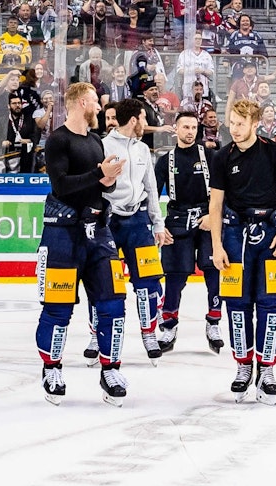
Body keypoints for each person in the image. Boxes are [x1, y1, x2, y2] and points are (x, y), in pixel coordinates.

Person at [36, 82, 130, 406]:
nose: (99, 108)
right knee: (58, 307)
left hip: (99, 232)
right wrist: (98, 174)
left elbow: (101, 184)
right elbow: (61, 186)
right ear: (79, 103)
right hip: (63, 234)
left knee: (113, 302)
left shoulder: (96, 141)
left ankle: (110, 369)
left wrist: (108, 177)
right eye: (94, 102)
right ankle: (51, 368)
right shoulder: (58, 140)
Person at [207, 99, 276, 404]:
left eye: (240, 123)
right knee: (237, 304)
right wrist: (217, 245)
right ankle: (243, 367)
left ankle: (268, 370)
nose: (234, 129)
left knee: (273, 305)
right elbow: (216, 205)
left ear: (255, 123)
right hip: (234, 237)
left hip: (272, 236)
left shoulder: (273, 151)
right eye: (231, 122)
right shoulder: (221, 157)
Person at [101, 99, 171, 362]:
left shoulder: (143, 149)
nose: (145, 123)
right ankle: (96, 336)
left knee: (148, 282)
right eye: (143, 118)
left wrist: (158, 223)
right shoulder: (102, 146)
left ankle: (149, 333)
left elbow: (152, 188)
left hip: (139, 222)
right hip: (108, 222)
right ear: (134, 120)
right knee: (103, 282)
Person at [155, 111, 224, 354]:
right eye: (185, 127)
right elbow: (153, 196)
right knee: (175, 276)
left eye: (194, 127)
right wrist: (158, 225)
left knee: (213, 271)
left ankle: (214, 322)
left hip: (208, 220)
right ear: (176, 129)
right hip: (177, 221)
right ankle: (169, 325)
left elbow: (223, 191)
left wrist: (213, 216)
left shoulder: (211, 157)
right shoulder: (165, 161)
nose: (190, 131)